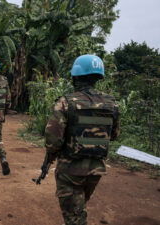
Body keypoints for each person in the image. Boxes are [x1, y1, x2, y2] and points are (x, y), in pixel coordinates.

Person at [41, 54, 120, 225]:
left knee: (74, 217)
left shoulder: (66, 102)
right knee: (78, 208)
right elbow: (113, 135)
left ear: (76, 75)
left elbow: (53, 140)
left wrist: (51, 155)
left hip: (71, 170)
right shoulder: (111, 103)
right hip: (96, 169)